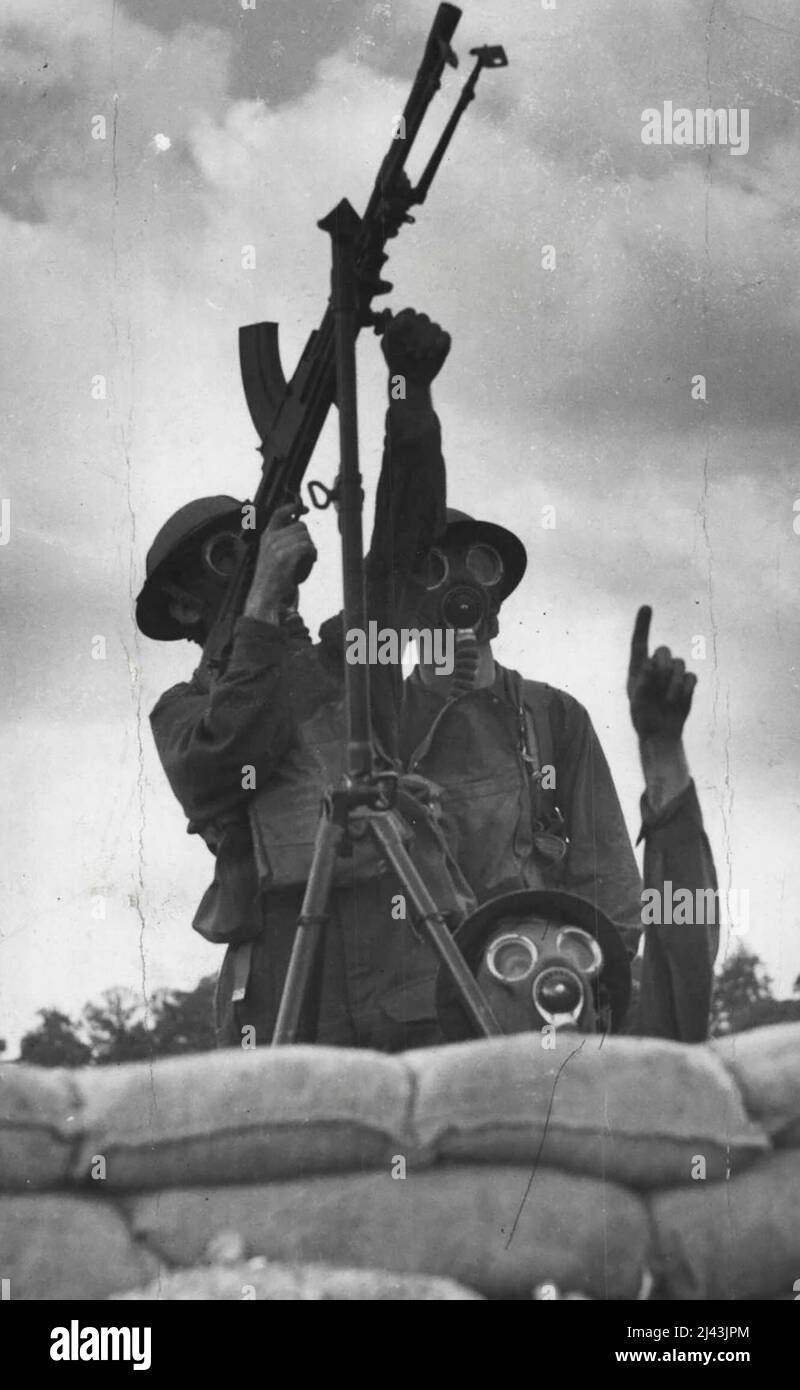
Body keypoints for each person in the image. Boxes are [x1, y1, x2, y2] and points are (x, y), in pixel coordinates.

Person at [436, 607, 720, 1043]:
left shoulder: (624, 1084)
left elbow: (686, 968)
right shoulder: (443, 1101)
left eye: (576, 951)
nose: (556, 983)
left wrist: (663, 752)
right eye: (513, 961)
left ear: (601, 1001)